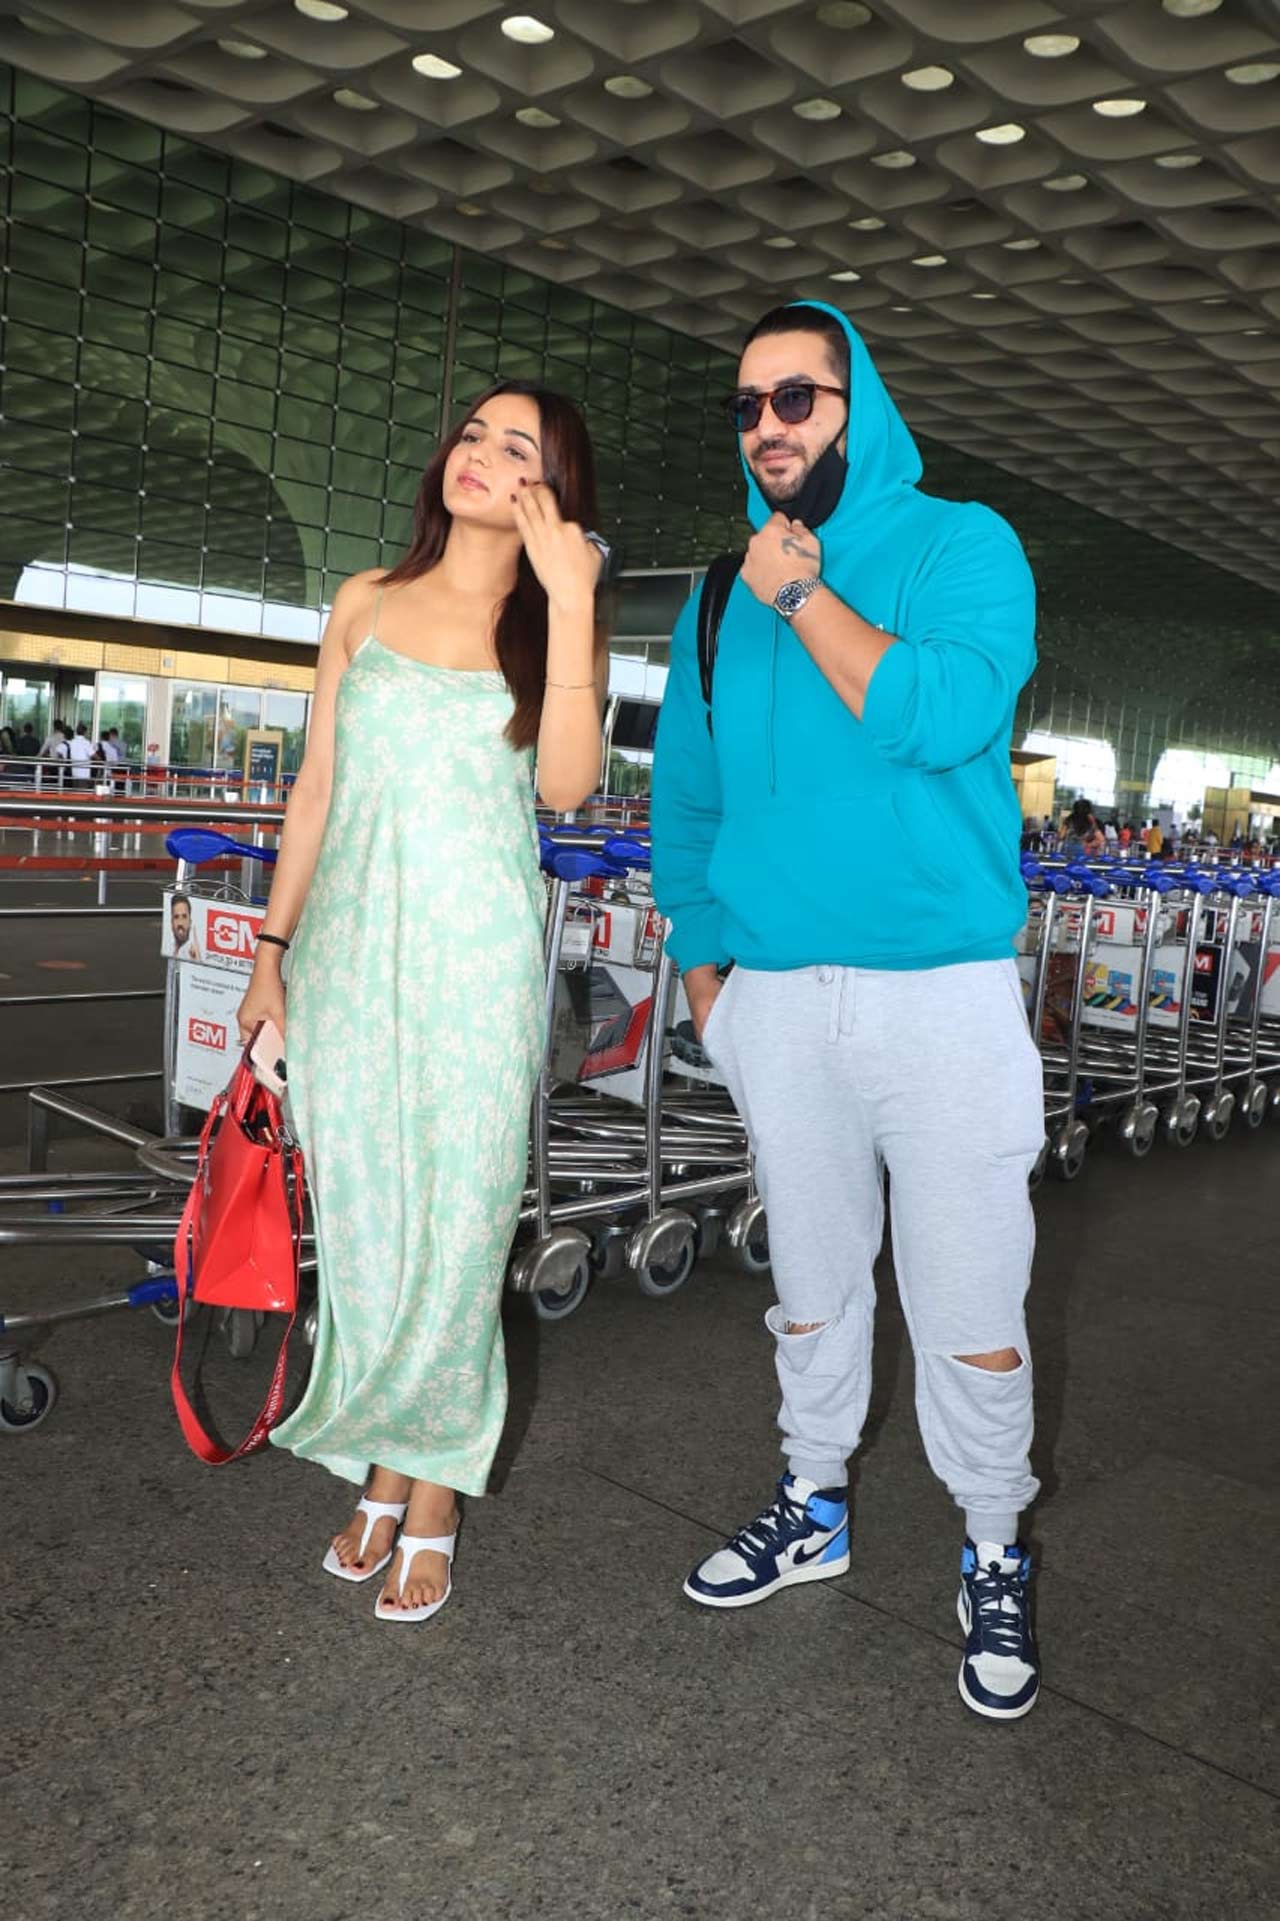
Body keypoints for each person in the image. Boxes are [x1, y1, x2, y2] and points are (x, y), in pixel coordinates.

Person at [651, 301, 1043, 1721]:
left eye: (798, 398)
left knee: (970, 1302)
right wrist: (714, 989)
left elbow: (935, 715)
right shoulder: (710, 601)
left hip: (940, 996)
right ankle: (813, 1501)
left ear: (855, 405)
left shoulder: (964, 547)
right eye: (749, 403)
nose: (769, 426)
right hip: (778, 1008)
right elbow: (681, 807)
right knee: (810, 1290)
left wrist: (804, 595)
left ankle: (992, 1541)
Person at [236, 381, 607, 1625]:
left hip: (478, 966)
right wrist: (268, 948)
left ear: (547, 489)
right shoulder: (363, 602)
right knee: (370, 1230)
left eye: (517, 449)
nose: (480, 458)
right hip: (347, 957)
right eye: (470, 433)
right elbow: (317, 788)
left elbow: (565, 791)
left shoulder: (545, 621)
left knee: (456, 1232)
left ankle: (425, 1490)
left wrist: (570, 603)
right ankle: (391, 1465)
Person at [168, 892, 201, 961]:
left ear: (190, 922)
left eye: (184, 916)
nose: (180, 923)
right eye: (176, 917)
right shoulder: (169, 949)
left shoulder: (193, 952)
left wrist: (197, 962)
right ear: (171, 922)